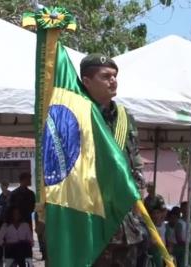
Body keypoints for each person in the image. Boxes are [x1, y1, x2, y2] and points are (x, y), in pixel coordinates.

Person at [79, 54, 146, 267]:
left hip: (126, 225)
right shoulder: (75, 116)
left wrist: (136, 202)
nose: (113, 80)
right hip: (93, 225)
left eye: (115, 76)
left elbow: (136, 166)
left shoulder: (125, 118)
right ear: (87, 81)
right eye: (105, 76)